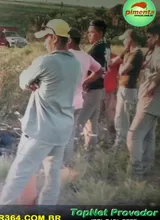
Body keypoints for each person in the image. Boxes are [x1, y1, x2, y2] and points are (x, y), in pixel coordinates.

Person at [0, 19, 82, 205]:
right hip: (62, 129)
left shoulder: (46, 61)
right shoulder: (76, 64)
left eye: (45, 38)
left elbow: (23, 81)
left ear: (53, 37)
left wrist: (32, 81)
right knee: (52, 178)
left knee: (18, 174)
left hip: (42, 130)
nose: (44, 42)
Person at [63, 27, 104, 167]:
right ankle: (68, 164)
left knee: (62, 135)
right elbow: (100, 71)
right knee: (71, 132)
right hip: (79, 100)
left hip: (65, 100)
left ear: (68, 40)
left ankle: (63, 165)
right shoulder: (86, 56)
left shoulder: (66, 55)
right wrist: (85, 81)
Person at [126, 24, 160, 179]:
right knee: (147, 136)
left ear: (157, 37)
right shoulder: (154, 52)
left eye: (149, 37)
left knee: (134, 135)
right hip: (150, 101)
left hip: (150, 101)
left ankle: (135, 174)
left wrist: (152, 85)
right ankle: (146, 170)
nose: (147, 40)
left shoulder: (159, 51)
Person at [76, 19, 111, 154]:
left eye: (92, 32)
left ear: (100, 33)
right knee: (92, 123)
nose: (89, 35)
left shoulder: (98, 48)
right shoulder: (106, 45)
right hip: (99, 89)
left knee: (79, 122)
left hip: (92, 89)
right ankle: (90, 153)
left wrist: (83, 82)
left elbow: (99, 71)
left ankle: (72, 154)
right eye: (88, 32)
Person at [109, 30, 144, 148]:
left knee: (124, 119)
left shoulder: (137, 54)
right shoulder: (128, 52)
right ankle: (119, 144)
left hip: (128, 90)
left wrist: (120, 67)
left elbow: (123, 70)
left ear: (131, 40)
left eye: (125, 39)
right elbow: (113, 62)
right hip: (123, 88)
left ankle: (122, 146)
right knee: (119, 117)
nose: (123, 41)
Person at [103, 53, 120, 139]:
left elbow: (121, 73)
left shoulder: (115, 57)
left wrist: (117, 88)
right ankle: (99, 139)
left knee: (111, 117)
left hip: (111, 91)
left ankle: (111, 138)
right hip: (98, 90)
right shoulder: (95, 54)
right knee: (96, 117)